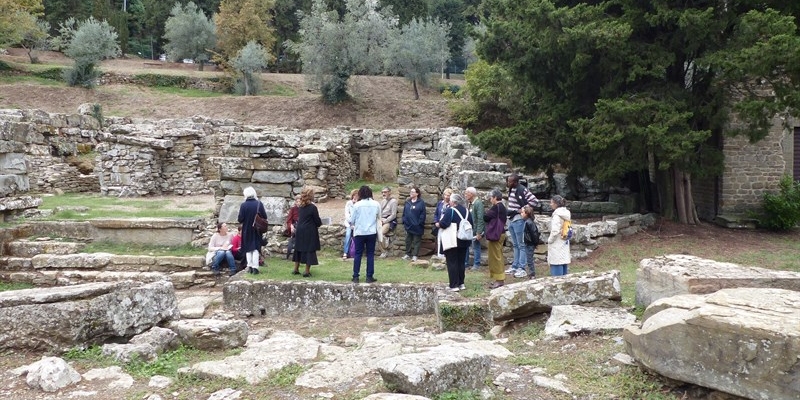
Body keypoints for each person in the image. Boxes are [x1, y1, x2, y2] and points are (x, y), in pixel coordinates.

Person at [505, 174, 539, 278]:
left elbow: (534, 201)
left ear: (515, 182)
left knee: (521, 244)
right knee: (515, 244)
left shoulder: (522, 189)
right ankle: (515, 266)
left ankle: (522, 268)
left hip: (519, 219)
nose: (508, 183)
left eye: (510, 181)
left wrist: (523, 210)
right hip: (511, 219)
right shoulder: (511, 189)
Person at [438, 193, 473, 292]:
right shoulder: (467, 211)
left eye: (450, 200)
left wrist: (438, 224)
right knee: (461, 262)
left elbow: (444, 224)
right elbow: (471, 223)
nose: (449, 202)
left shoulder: (451, 211)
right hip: (464, 240)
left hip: (453, 240)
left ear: (453, 202)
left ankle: (454, 285)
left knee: (452, 262)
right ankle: (461, 283)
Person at [350, 185, 381, 283]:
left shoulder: (357, 205)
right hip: (371, 232)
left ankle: (355, 276)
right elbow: (379, 217)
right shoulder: (376, 204)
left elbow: (352, 220)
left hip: (359, 232)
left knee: (358, 254)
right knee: (370, 254)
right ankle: (369, 276)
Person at [292, 187, 322, 277]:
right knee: (309, 249)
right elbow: (317, 220)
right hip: (309, 230)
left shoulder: (300, 207)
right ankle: (306, 271)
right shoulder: (313, 208)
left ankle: (296, 268)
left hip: (300, 229)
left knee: (299, 248)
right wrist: (319, 223)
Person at [237, 186, 267, 274]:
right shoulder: (259, 204)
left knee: (248, 248)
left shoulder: (243, 205)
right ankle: (255, 268)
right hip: (256, 229)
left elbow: (240, 219)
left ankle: (249, 266)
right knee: (255, 248)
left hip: (246, 229)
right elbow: (264, 216)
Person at [483, 189, 507, 289]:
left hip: (496, 235)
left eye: (491, 198)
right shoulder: (503, 207)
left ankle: (499, 279)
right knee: (498, 255)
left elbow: (486, 217)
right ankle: (498, 278)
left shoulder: (496, 207)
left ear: (495, 198)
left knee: (496, 257)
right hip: (501, 233)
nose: (490, 200)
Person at [547, 195, 571, 276]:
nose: (550, 204)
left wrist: (549, 240)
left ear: (556, 204)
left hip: (556, 244)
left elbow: (555, 231)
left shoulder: (557, 215)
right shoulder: (566, 214)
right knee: (563, 264)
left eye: (551, 203)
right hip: (564, 242)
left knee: (556, 264)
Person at [401, 186, 426, 262]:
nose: (411, 193)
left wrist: (419, 223)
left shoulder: (421, 203)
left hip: (417, 226)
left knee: (416, 241)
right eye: (410, 192)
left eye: (413, 192)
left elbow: (423, 215)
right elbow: (404, 213)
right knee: (408, 240)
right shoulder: (408, 202)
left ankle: (415, 255)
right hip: (408, 226)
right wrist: (404, 221)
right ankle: (407, 254)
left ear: (417, 193)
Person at [463, 187, 485, 270]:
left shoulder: (478, 203)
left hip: (475, 230)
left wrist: (479, 232)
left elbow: (480, 218)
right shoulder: (470, 203)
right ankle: (466, 263)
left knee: (476, 246)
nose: (465, 195)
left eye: (466, 193)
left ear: (471, 194)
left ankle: (476, 264)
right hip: (469, 229)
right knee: (466, 246)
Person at [432, 188, 452, 259]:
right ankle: (439, 255)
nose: (446, 197)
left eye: (448, 195)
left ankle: (446, 256)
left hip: (446, 226)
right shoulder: (440, 203)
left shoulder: (451, 205)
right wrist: (436, 222)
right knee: (439, 239)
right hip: (439, 225)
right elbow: (436, 214)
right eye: (445, 195)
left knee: (446, 240)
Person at [378, 187, 398, 258]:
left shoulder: (393, 201)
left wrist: (385, 221)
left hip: (388, 221)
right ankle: (382, 250)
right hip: (381, 220)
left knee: (380, 233)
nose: (383, 194)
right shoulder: (382, 201)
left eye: (385, 192)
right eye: (382, 192)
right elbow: (379, 212)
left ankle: (384, 251)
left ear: (389, 192)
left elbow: (393, 214)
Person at [521, 205, 538, 279]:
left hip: (530, 244)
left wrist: (535, 243)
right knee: (529, 259)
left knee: (529, 259)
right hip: (528, 243)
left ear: (526, 213)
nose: (521, 214)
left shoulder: (529, 223)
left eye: (522, 212)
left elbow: (534, 234)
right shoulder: (527, 222)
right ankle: (531, 273)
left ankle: (532, 274)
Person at [342, 189, 358, 261]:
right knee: (348, 235)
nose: (356, 197)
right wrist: (351, 223)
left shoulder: (359, 204)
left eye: (357, 195)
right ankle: (345, 252)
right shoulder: (349, 203)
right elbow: (347, 214)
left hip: (357, 224)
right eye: (354, 195)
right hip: (349, 223)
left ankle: (355, 252)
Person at [285, 194, 300, 259]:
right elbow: (289, 220)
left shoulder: (304, 209)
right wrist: (291, 226)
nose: (298, 203)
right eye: (297, 201)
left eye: (299, 201)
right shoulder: (293, 209)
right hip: (294, 226)